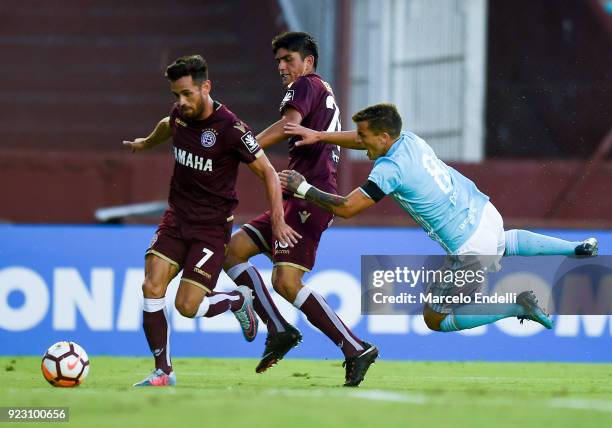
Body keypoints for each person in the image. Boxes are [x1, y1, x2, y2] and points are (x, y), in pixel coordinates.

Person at [280, 103, 598, 333]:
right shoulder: (410, 140)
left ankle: (516, 306)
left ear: (384, 138)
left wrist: (303, 188)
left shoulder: (390, 170)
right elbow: (365, 137)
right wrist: (320, 136)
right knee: (504, 241)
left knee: (435, 318)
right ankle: (575, 248)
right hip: (485, 213)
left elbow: (348, 208)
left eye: (364, 136)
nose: (358, 141)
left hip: (469, 246)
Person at [123, 55, 300, 387]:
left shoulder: (231, 129)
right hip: (176, 219)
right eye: (176, 95)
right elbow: (167, 125)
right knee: (151, 286)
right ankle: (163, 371)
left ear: (206, 87)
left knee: (187, 306)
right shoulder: (179, 115)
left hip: (211, 228)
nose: (181, 102)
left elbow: (269, 174)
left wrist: (278, 221)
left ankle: (236, 299)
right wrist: (145, 143)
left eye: (187, 94)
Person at [222, 32, 377, 387]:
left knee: (286, 281)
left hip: (308, 196)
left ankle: (354, 347)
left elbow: (288, 126)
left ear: (307, 62)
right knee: (233, 252)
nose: (281, 66)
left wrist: (244, 147)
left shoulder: (306, 84)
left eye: (288, 59)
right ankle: (278, 328)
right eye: (278, 60)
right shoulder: (321, 89)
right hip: (297, 196)